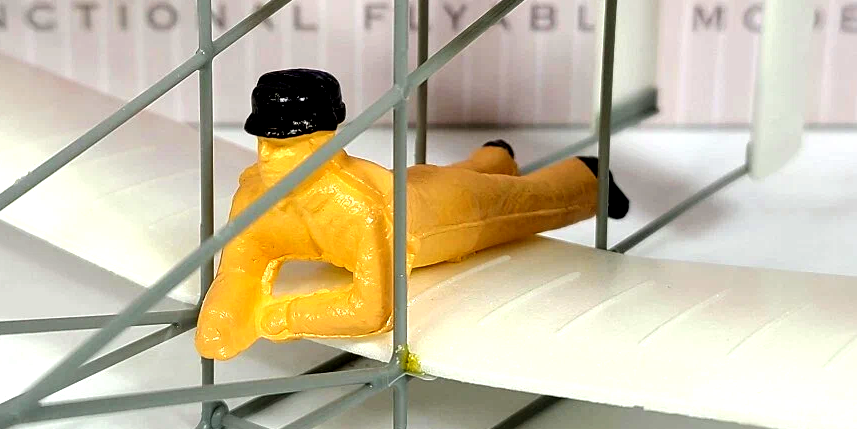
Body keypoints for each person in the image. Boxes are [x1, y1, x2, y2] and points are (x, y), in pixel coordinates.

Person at [195, 68, 629, 360]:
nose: (272, 158)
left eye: (293, 144)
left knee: (524, 202)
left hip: (435, 217)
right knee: (439, 176)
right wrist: (221, 321)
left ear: (329, 138)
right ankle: (495, 157)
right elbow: (239, 270)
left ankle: (587, 177)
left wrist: (287, 316)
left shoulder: (359, 209)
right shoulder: (253, 194)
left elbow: (372, 310)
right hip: (404, 184)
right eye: (267, 143)